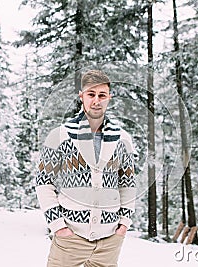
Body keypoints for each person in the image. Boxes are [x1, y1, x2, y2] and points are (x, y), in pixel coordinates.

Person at [35, 69, 136, 267]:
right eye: (91, 94)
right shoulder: (59, 135)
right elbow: (43, 182)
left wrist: (124, 224)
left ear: (109, 98)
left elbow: (127, 182)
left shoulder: (123, 138)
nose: (96, 101)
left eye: (102, 95)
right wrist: (58, 226)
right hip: (70, 239)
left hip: (109, 240)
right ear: (81, 96)